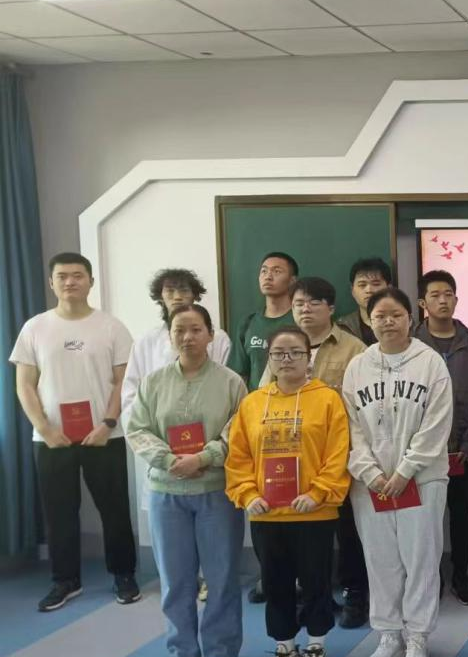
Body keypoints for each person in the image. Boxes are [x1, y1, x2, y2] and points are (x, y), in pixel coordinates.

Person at [125, 304, 247, 657]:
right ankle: (182, 655)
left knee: (221, 576)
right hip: (167, 492)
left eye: (196, 329)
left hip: (215, 491)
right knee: (175, 578)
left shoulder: (231, 382)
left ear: (211, 335)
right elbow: (137, 429)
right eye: (179, 330)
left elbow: (238, 430)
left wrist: (204, 457)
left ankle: (221, 653)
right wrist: (167, 459)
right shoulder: (153, 382)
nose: (188, 337)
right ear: (170, 336)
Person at [11, 252, 140, 612]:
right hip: (52, 439)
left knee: (115, 509)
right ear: (51, 283)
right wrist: (44, 428)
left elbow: (124, 381)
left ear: (90, 281)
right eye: (62, 276)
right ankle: (65, 581)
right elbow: (24, 384)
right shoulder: (35, 328)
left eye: (78, 275)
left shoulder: (111, 327)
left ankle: (124, 575)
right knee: (59, 512)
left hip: (104, 436)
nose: (70, 281)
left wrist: (108, 423)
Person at [225, 327, 351, 657]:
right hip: (267, 513)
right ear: (269, 359)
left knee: (316, 581)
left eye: (295, 352)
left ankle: (316, 647)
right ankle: (285, 649)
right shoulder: (252, 403)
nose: (287, 359)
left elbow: (338, 452)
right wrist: (248, 494)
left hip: (314, 512)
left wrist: (319, 492)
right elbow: (239, 456)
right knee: (275, 583)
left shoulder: (327, 400)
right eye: (279, 353)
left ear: (308, 357)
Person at [344, 287, 454, 657]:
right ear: (369, 320)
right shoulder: (358, 366)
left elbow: (437, 422)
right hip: (371, 483)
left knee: (420, 557)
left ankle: (418, 637)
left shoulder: (430, 363)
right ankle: (389, 636)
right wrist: (370, 472)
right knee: (380, 560)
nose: (388, 322)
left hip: (421, 479)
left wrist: (405, 470)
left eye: (396, 315)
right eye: (380, 316)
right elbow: (352, 427)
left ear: (411, 318)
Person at [260, 276, 368, 628]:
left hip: (339, 455)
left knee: (347, 531)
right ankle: (312, 595)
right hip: (292, 457)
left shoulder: (354, 349)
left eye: (313, 303)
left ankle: (354, 593)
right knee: (304, 535)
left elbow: (362, 406)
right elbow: (263, 396)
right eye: (298, 304)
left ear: (331, 308)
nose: (305, 309)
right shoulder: (282, 347)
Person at [415, 270, 468, 606]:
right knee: (423, 518)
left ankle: (461, 574)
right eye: (435, 295)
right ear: (422, 303)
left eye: (448, 294)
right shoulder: (412, 343)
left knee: (462, 515)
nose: (443, 300)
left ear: (456, 299)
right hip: (421, 452)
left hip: (461, 451)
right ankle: (430, 578)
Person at [121, 268, 231, 421]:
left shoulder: (218, 339)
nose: (177, 297)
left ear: (194, 295)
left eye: (184, 290)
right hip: (156, 427)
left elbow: (224, 386)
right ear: (160, 296)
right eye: (170, 291)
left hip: (207, 423)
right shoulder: (145, 342)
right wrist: (143, 431)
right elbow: (130, 393)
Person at [230, 251, 298, 391]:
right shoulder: (248, 323)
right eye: (264, 271)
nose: (268, 276)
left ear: (292, 280)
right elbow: (239, 374)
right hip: (256, 401)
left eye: (277, 271)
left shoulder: (300, 321)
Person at [338, 257, 394, 346]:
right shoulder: (343, 327)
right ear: (352, 291)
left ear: (389, 289)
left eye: (376, 284)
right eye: (362, 285)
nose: (369, 290)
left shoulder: (403, 322)